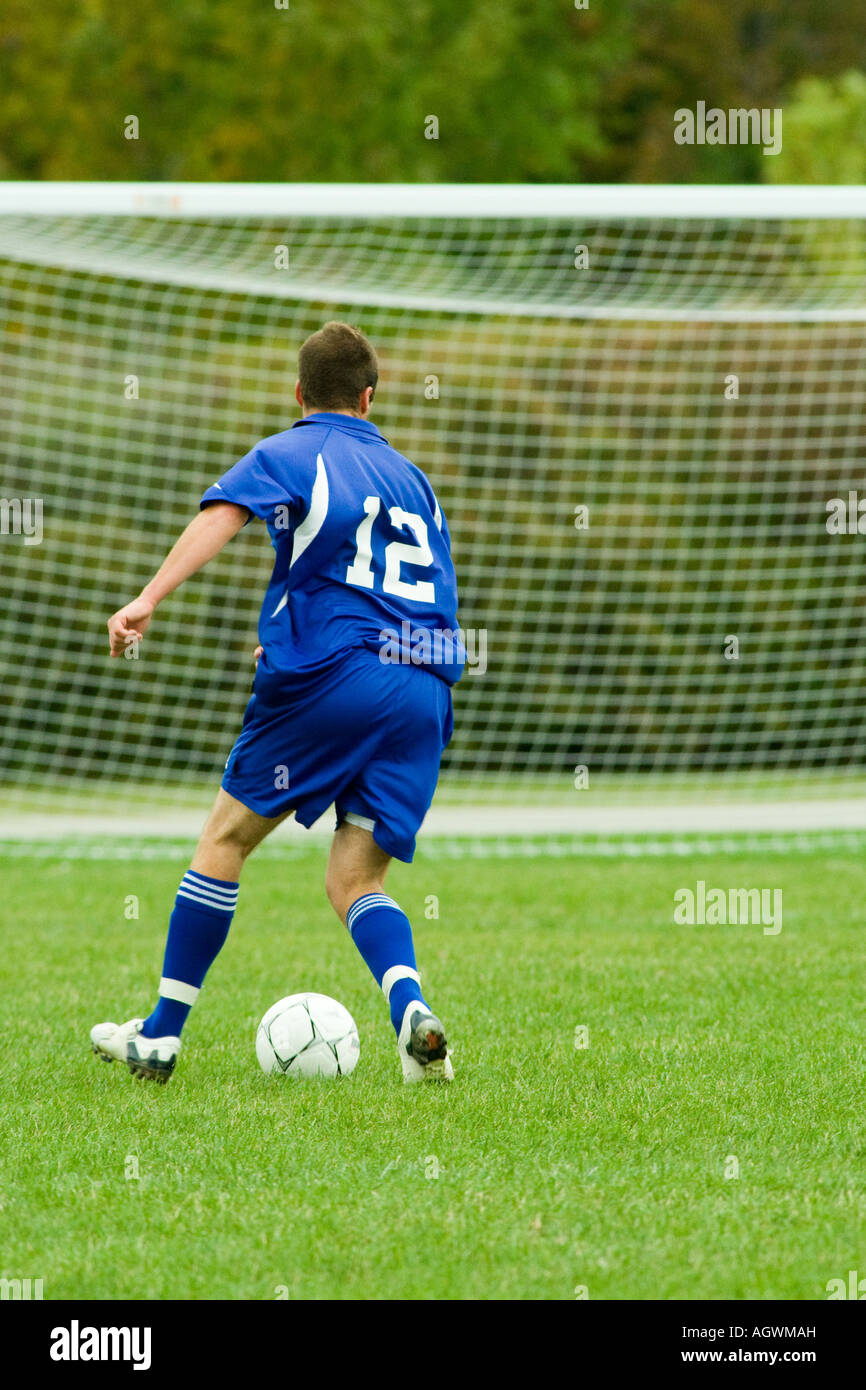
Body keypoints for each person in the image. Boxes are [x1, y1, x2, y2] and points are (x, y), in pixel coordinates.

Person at [90, 321, 464, 1085]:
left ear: (300, 395)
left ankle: (159, 1037)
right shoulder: (413, 480)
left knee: (224, 840)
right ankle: (412, 1015)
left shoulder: (293, 449)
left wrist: (147, 598)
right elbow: (388, 588)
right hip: (425, 686)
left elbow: (222, 516)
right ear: (369, 396)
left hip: (340, 676)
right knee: (356, 881)